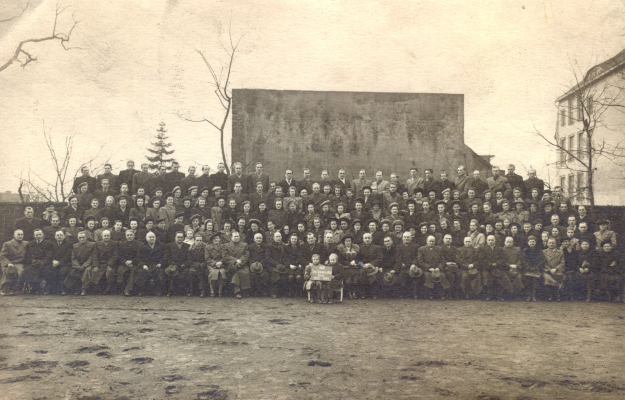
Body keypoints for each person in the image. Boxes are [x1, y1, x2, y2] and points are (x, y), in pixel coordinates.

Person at [23, 229, 53, 294]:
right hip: (33, 262)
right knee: (28, 269)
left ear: (43, 235)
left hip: (44, 263)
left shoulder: (48, 243)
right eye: (36, 235)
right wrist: (32, 261)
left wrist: (42, 262)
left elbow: (49, 255)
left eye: (40, 234)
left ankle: (47, 288)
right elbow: (27, 254)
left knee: (48, 270)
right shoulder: (30, 244)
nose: (38, 236)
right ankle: (34, 286)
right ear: (34, 236)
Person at [64, 231, 95, 295]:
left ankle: (84, 289)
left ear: (86, 237)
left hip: (88, 264)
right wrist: (78, 266)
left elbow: (91, 257)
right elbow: (73, 258)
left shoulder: (92, 245)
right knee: (72, 271)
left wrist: (84, 266)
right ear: (77, 238)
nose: (82, 239)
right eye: (80, 238)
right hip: (78, 264)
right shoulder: (75, 245)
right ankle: (71, 288)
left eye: (83, 237)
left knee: (87, 271)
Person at [0, 229, 28, 295]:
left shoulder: (26, 243)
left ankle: (15, 289)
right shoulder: (7, 244)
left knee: (21, 271)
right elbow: (2, 256)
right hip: (11, 263)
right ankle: (5, 288)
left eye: (22, 234)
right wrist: (8, 263)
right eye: (18, 234)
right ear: (14, 235)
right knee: (10, 270)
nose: (20, 236)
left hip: (21, 262)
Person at [224, 231, 250, 299]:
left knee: (244, 272)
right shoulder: (226, 245)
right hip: (231, 264)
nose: (236, 238)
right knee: (236, 271)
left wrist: (241, 261)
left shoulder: (244, 245)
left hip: (242, 264)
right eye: (235, 236)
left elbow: (246, 255)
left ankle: (242, 291)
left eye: (237, 236)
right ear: (231, 237)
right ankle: (237, 291)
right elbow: (225, 256)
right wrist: (235, 261)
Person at [164, 231, 190, 297]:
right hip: (173, 265)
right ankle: (170, 291)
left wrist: (185, 264)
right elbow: (167, 257)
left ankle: (184, 291)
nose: (180, 239)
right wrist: (172, 264)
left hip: (183, 266)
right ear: (175, 237)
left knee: (186, 272)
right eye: (178, 237)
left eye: (181, 237)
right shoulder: (169, 246)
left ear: (184, 238)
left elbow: (189, 258)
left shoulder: (187, 246)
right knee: (170, 272)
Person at [205, 232, 228, 297]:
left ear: (219, 239)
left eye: (217, 238)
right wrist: (215, 263)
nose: (216, 240)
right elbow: (207, 258)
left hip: (221, 264)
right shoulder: (208, 247)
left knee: (222, 272)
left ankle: (220, 290)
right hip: (211, 265)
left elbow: (225, 256)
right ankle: (212, 290)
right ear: (212, 240)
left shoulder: (223, 246)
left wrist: (221, 262)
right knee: (213, 273)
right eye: (214, 238)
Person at [543, 237, 565, 301]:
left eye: (553, 243)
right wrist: (549, 269)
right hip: (547, 270)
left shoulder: (560, 252)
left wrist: (556, 269)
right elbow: (543, 263)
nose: (551, 244)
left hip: (557, 270)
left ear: (556, 244)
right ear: (547, 244)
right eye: (550, 243)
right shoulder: (544, 252)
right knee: (547, 279)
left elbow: (562, 263)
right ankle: (550, 296)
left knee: (559, 277)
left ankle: (557, 295)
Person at [248, 232, 270, 297]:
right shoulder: (250, 247)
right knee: (253, 275)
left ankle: (263, 291)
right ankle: (255, 291)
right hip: (252, 266)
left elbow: (266, 257)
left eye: (260, 238)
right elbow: (248, 257)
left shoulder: (266, 247)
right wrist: (253, 264)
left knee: (264, 275)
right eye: (257, 238)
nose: (258, 239)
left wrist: (260, 264)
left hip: (263, 265)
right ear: (254, 239)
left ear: (262, 239)